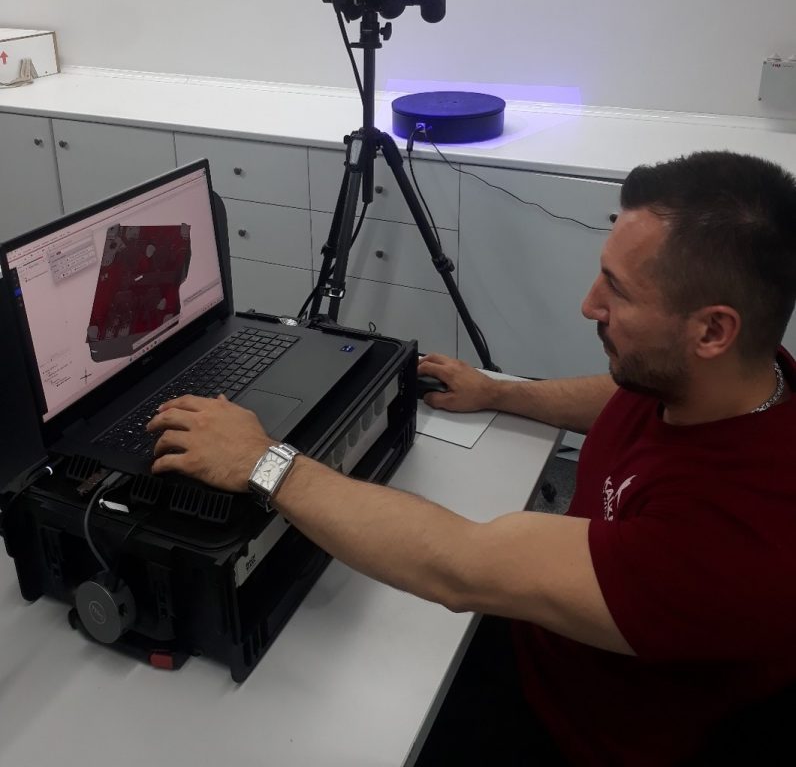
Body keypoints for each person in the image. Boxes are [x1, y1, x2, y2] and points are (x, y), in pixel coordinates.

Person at [147, 150, 796, 765]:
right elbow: (621, 398)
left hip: (568, 729)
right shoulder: (739, 382)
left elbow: (460, 568)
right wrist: (501, 392)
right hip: (550, 646)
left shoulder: (733, 538)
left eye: (620, 292)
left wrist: (263, 461)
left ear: (712, 330)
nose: (589, 304)